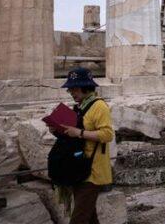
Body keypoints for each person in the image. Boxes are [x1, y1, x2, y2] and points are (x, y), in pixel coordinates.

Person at [58, 68, 114, 224]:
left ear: (85, 87)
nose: (71, 92)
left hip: (93, 170)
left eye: (74, 89)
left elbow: (107, 135)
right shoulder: (80, 106)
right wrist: (58, 129)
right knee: (89, 217)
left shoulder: (99, 106)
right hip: (79, 167)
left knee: (79, 218)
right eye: (70, 89)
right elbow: (73, 133)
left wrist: (79, 133)